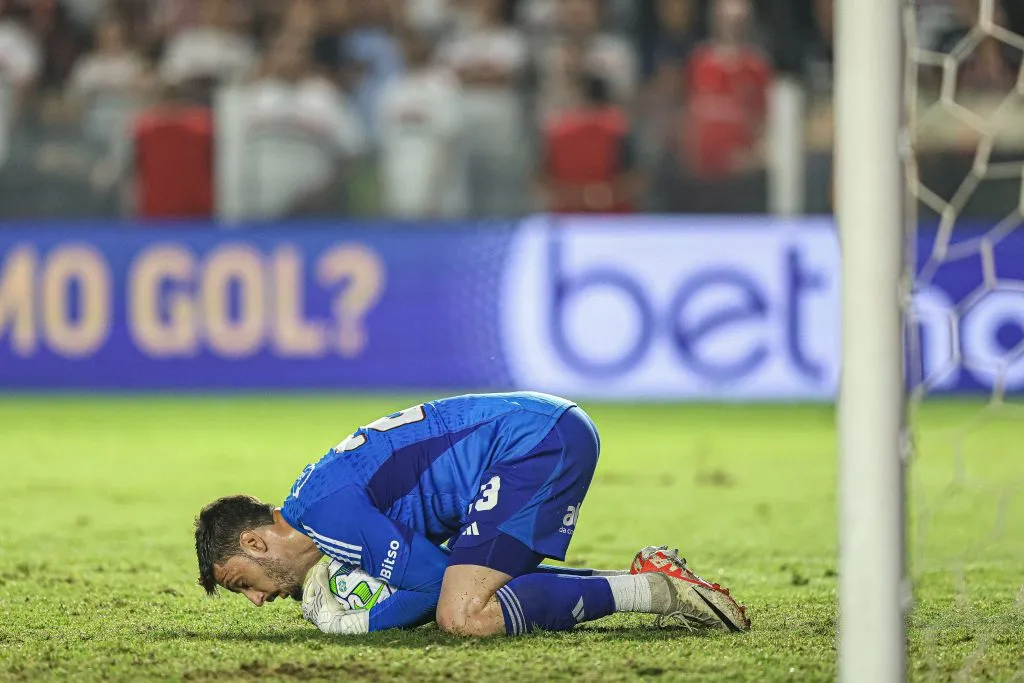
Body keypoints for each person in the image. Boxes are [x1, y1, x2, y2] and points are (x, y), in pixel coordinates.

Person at [194, 392, 750, 636]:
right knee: (478, 581)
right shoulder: (313, 506)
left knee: (462, 614)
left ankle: (661, 594)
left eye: (244, 583)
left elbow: (434, 584)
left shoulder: (326, 514)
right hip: (534, 429)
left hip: (531, 443)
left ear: (255, 543)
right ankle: (649, 578)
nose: (258, 600)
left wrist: (362, 621)